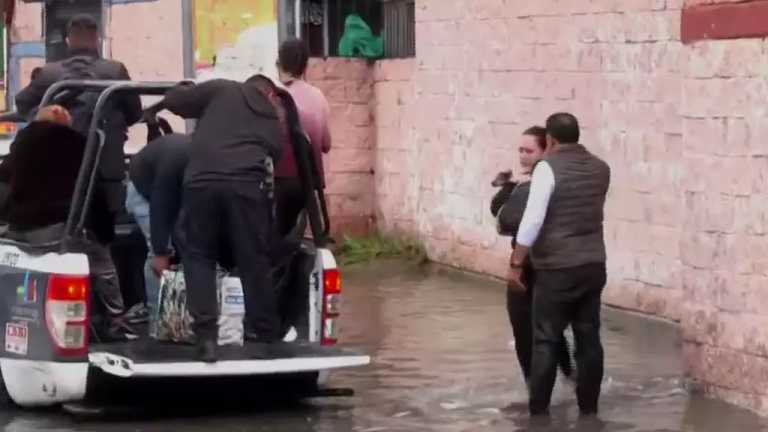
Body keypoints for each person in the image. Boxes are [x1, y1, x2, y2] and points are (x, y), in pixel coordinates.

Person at [14, 14, 142, 335]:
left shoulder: (49, 74)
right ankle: (112, 318)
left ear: (69, 39)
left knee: (60, 240)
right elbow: (135, 112)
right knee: (102, 241)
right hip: (105, 174)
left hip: (59, 178)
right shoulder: (115, 72)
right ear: (96, 37)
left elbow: (23, 105)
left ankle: (68, 313)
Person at [150, 75, 285, 362]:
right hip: (247, 187)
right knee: (253, 259)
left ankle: (206, 340)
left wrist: (183, 88)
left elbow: (178, 101)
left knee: (198, 256)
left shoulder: (223, 89)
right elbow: (277, 152)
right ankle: (265, 337)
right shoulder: (271, 115)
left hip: (202, 183)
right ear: (270, 94)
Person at [0, 105, 132, 341]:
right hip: (57, 228)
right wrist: (104, 232)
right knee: (102, 261)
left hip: (19, 229)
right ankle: (115, 320)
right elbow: (94, 195)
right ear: (68, 124)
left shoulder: (20, 146)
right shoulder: (78, 147)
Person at [508, 113, 611, 416]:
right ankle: (589, 412)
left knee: (546, 340)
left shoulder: (547, 169)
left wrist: (517, 262)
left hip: (556, 268)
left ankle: (538, 415)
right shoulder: (601, 168)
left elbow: (533, 219)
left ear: (550, 140)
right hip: (593, 264)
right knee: (588, 337)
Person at [491, 126, 574, 390]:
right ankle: (554, 384)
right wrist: (510, 185)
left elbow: (507, 220)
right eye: (520, 150)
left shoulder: (545, 181)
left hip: (537, 265)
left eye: (529, 151)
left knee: (536, 328)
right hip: (535, 264)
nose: (523, 156)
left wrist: (518, 188)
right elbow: (498, 210)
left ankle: (546, 388)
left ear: (545, 150)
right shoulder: (527, 181)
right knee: (536, 328)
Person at [125, 133, 191, 333]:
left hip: (169, 191)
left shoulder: (207, 159)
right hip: (143, 192)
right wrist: (162, 250)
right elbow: (160, 205)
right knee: (158, 254)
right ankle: (157, 320)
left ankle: (184, 315)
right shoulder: (176, 160)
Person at [275, 38, 332, 235]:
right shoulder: (319, 97)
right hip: (310, 183)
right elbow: (326, 144)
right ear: (306, 65)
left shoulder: (276, 98)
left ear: (279, 64)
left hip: (280, 183)